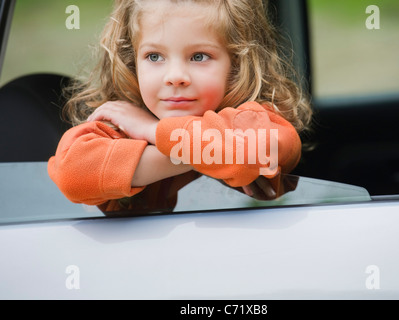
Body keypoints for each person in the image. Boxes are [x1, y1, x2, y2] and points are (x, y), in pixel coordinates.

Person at [48, 0, 313, 212]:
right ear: (132, 62)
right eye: (154, 56)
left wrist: (154, 131)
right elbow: (73, 173)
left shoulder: (258, 119)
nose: (175, 76)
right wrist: (201, 157)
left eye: (199, 56)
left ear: (237, 65)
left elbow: (247, 154)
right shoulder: (122, 123)